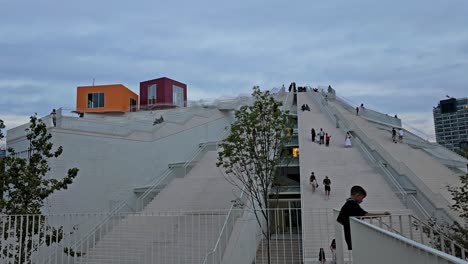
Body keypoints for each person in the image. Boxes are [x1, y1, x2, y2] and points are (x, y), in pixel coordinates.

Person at [337, 186, 390, 250]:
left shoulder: (347, 203)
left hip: (349, 234)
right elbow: (365, 215)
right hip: (354, 235)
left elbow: (339, 220)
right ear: (357, 195)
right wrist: (383, 214)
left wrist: (347, 225)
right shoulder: (352, 204)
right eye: (362, 198)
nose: (362, 201)